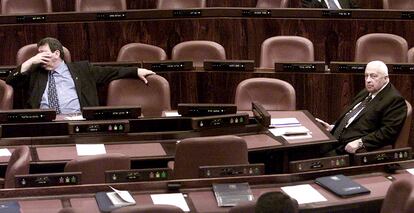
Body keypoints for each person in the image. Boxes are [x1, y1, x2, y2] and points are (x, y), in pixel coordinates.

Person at [6, 37, 155, 115]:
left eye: (42, 52)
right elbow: (10, 80)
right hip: (44, 122)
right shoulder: (35, 71)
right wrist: (31, 61)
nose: (39, 57)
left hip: (77, 119)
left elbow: (110, 72)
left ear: (56, 53)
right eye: (37, 54)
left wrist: (136, 71)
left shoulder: (82, 69)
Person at [317, 60, 407, 155]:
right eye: (366, 76)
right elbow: (352, 115)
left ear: (386, 78)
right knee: (306, 146)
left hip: (348, 147)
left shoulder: (394, 100)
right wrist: (335, 127)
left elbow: (387, 133)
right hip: (336, 137)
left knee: (311, 156)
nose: (368, 80)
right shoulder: (367, 91)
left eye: (373, 76)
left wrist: (361, 142)